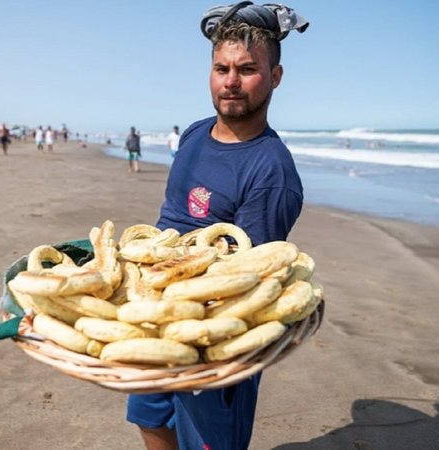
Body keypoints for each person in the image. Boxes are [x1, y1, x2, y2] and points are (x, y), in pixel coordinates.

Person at [126, 3, 309, 449]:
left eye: (247, 69)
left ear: (275, 77)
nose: (231, 81)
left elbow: (245, 286)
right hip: (152, 316)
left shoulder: (271, 172)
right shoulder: (194, 132)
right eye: (221, 68)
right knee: (150, 418)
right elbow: (172, 216)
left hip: (211, 338)